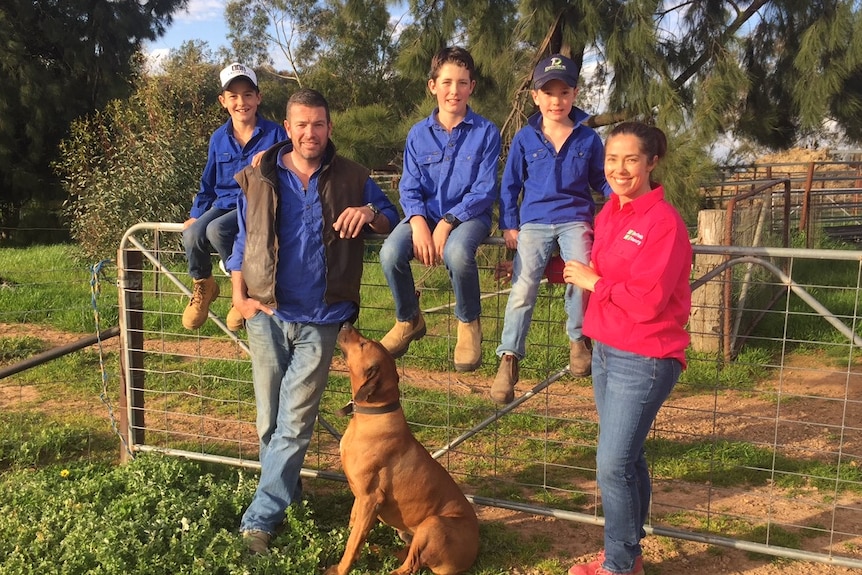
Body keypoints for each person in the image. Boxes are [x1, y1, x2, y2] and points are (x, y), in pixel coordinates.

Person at [224, 88, 398, 554]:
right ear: (287, 128)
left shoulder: (353, 176)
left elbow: (390, 216)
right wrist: (239, 297)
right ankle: (288, 495)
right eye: (301, 124)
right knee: (268, 420)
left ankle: (259, 521)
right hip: (266, 314)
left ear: (329, 128)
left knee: (295, 420)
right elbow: (243, 239)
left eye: (318, 124)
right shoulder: (258, 173)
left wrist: (368, 212)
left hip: (322, 319)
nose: (310, 132)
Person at [563, 122, 692, 575]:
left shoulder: (664, 223)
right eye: (612, 159)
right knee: (628, 459)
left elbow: (650, 300)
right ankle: (629, 556)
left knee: (612, 465)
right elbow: (595, 271)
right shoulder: (609, 215)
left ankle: (617, 565)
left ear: (652, 162)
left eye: (630, 159)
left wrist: (594, 281)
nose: (619, 168)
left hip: (646, 356)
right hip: (606, 349)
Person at [491, 54, 611, 404]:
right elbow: (510, 185)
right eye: (548, 92)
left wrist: (622, 203)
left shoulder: (588, 140)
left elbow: (601, 180)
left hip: (575, 218)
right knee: (524, 285)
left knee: (581, 276)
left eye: (563, 92)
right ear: (535, 97)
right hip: (535, 222)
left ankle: (577, 339)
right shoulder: (525, 139)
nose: (556, 100)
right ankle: (509, 357)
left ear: (574, 94)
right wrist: (509, 224)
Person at [378, 46, 501, 372]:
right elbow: (409, 185)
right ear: (433, 85)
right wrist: (418, 221)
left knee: (458, 254)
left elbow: (484, 189)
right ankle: (409, 319)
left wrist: (447, 223)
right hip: (424, 214)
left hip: (469, 216)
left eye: (462, 83)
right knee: (390, 253)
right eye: (446, 82)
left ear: (471, 87)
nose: (454, 91)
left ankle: (468, 322)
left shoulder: (486, 132)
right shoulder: (418, 134)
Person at [181, 62, 285, 331]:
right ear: (223, 101)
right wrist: (195, 215)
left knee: (217, 231)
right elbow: (208, 182)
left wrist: (275, 160)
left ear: (258, 98)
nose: (242, 102)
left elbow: (288, 170)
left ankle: (243, 290)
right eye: (234, 96)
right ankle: (205, 286)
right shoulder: (218, 138)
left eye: (248, 95)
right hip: (223, 204)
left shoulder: (276, 134)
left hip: (258, 206)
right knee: (192, 235)